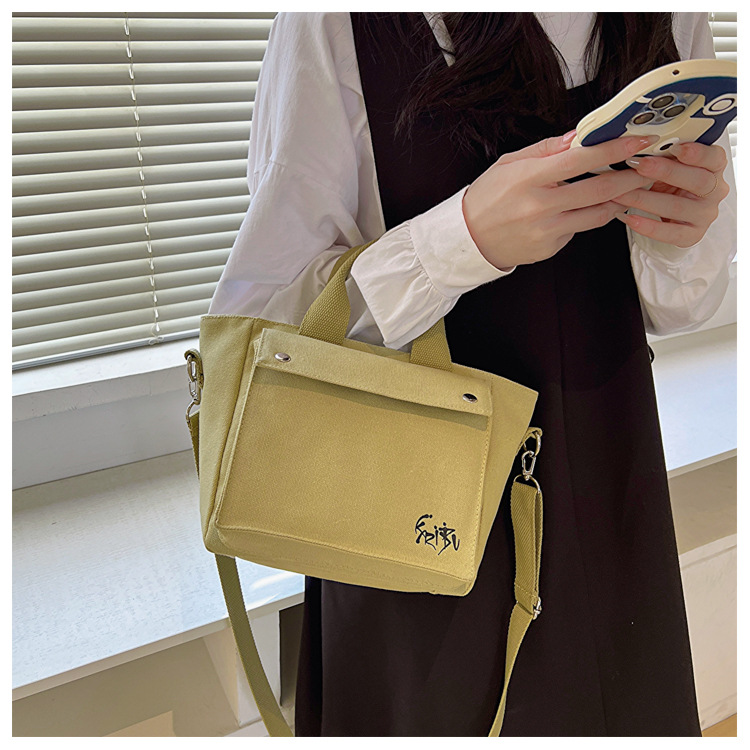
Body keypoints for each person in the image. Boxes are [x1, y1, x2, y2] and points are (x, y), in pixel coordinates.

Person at [209, 12, 736, 737]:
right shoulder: (335, 22)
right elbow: (270, 327)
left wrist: (682, 228)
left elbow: (678, 307)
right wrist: (459, 239)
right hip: (414, 518)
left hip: (614, 486)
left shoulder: (673, 16)